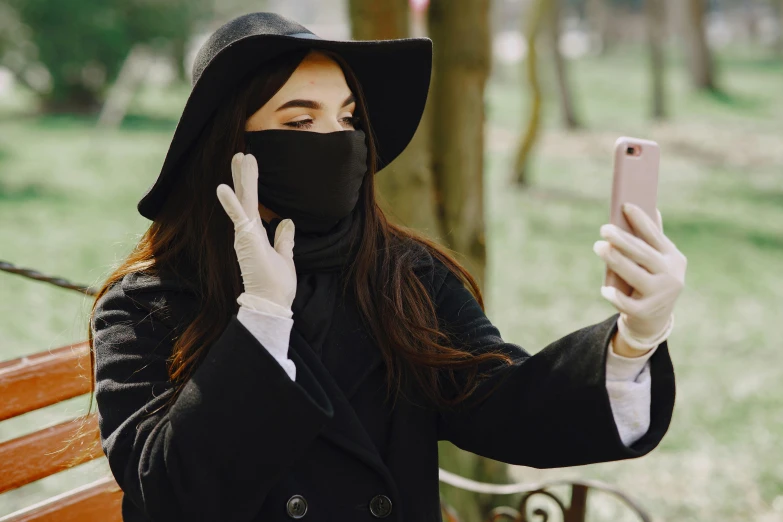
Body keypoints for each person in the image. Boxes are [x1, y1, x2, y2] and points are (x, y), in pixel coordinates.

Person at [89, 12, 686, 522]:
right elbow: (170, 496)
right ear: (228, 149)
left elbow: (499, 402)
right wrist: (262, 318)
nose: (337, 138)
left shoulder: (405, 273)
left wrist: (634, 340)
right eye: (300, 122)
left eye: (347, 119)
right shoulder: (144, 304)